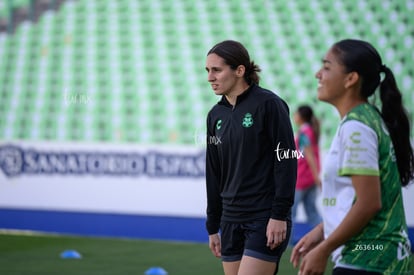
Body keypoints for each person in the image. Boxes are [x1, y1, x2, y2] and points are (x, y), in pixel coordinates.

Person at [290, 38, 413, 275]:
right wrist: (322, 231)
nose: (318, 74)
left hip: (369, 260)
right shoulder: (365, 118)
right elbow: (355, 200)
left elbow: (369, 203)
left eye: (326, 67)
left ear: (351, 79)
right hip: (376, 257)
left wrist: (325, 248)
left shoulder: (357, 126)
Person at [205, 40, 297, 275]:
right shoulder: (215, 115)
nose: (210, 77)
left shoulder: (270, 105)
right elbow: (213, 171)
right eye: (207, 71)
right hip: (229, 219)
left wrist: (279, 215)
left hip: (263, 217)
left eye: (216, 70)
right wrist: (213, 226)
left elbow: (286, 161)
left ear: (240, 70)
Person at [290, 105, 322, 245]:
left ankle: (287, 242)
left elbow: (308, 156)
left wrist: (316, 177)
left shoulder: (304, 133)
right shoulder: (310, 131)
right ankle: (326, 237)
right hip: (309, 179)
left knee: (290, 212)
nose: (294, 116)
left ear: (301, 116)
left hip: (301, 178)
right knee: (312, 212)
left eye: (296, 113)